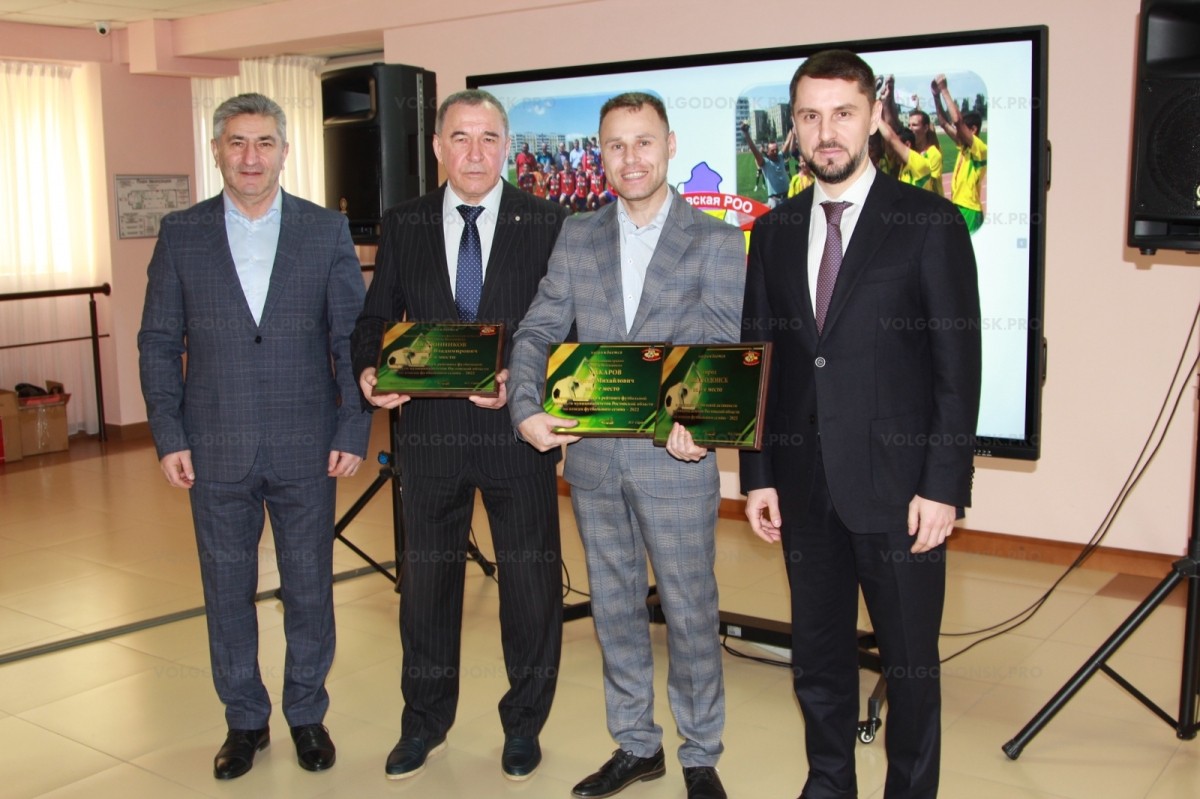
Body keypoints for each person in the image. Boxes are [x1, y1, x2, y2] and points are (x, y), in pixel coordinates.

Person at [740, 50, 981, 799]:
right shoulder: (774, 232)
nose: (827, 132)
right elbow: (762, 359)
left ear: (875, 116)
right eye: (810, 116)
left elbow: (957, 369)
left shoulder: (929, 223)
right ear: (795, 127)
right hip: (804, 491)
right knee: (817, 661)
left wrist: (944, 486)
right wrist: (758, 475)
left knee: (909, 668)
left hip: (902, 492)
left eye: (843, 113)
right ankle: (828, 783)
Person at [508, 92, 745, 799]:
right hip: (594, 460)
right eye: (615, 145)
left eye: (644, 142)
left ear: (670, 145)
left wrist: (701, 422)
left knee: (690, 610)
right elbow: (539, 329)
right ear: (600, 154)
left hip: (676, 460)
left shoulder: (715, 240)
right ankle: (637, 744)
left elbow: (721, 346)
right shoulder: (577, 235)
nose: (630, 158)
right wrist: (526, 406)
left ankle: (700, 752)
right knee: (613, 607)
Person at [138, 93, 372, 780]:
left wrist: (354, 425)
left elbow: (350, 338)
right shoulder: (182, 233)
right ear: (217, 150)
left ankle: (306, 712)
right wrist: (168, 433)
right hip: (213, 447)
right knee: (226, 589)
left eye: (264, 142)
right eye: (237, 142)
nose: (251, 157)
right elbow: (158, 341)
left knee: (310, 588)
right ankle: (244, 719)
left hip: (309, 443)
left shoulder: (324, 230)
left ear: (284, 152)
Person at [351, 89, 568, 783]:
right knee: (426, 589)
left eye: (489, 138)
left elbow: (569, 329)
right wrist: (369, 370)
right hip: (430, 436)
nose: (475, 153)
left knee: (530, 588)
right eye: (461, 138)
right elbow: (376, 317)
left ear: (507, 146)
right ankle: (424, 723)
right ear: (438, 146)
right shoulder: (405, 222)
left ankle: (524, 725)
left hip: (517, 434)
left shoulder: (550, 222)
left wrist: (520, 382)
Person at [932, 73, 987, 232]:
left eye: (962, 130)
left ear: (973, 130)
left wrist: (944, 90)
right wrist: (936, 96)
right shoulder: (963, 146)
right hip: (958, 206)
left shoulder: (979, 148)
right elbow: (944, 123)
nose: (958, 132)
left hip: (970, 208)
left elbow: (957, 121)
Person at [740, 122, 792, 207]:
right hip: (774, 200)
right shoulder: (765, 163)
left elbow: (788, 142)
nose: (775, 152)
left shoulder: (780, 156)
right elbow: (754, 150)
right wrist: (746, 133)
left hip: (787, 197)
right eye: (772, 150)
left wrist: (793, 126)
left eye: (776, 149)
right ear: (767, 152)